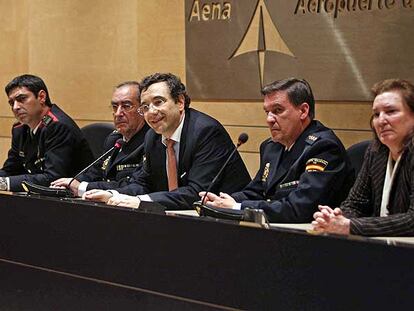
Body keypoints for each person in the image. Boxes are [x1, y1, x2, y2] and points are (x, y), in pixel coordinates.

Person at [83, 72, 251, 209]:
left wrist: (141, 201)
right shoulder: (153, 136)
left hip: (228, 221)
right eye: (145, 107)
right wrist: (115, 195)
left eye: (158, 102)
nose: (151, 112)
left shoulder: (205, 132)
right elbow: (143, 183)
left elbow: (197, 192)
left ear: (179, 102)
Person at [200, 78, 353, 223]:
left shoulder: (323, 148)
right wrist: (220, 201)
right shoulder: (271, 147)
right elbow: (256, 192)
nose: (269, 119)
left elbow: (300, 208)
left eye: (278, 110)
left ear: (303, 111)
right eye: (267, 112)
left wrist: (237, 207)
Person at [312, 79, 414, 236]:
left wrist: (350, 226)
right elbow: (355, 203)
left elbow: (412, 220)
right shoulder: (375, 152)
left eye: (391, 111)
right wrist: (335, 218)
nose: (381, 120)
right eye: (376, 114)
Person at [50, 81, 149, 196]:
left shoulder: (150, 142)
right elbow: (94, 173)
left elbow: (133, 185)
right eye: (115, 107)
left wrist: (83, 187)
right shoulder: (114, 139)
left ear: (142, 109)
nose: (118, 113)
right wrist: (71, 182)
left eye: (126, 106)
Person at [0, 74, 94, 191]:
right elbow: (11, 169)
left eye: (22, 99)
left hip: (72, 200)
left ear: (41, 97)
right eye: (11, 103)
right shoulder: (19, 129)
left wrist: (4, 183)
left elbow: (53, 177)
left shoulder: (59, 126)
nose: (15, 107)